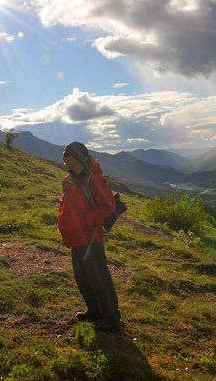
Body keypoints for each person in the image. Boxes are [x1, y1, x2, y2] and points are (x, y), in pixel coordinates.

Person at [58, 141, 121, 331]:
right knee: (82, 277)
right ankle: (94, 310)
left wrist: (87, 219)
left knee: (99, 278)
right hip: (75, 238)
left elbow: (108, 207)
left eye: (66, 155)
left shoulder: (93, 180)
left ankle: (111, 318)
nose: (63, 159)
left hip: (91, 238)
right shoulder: (67, 180)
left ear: (76, 157)